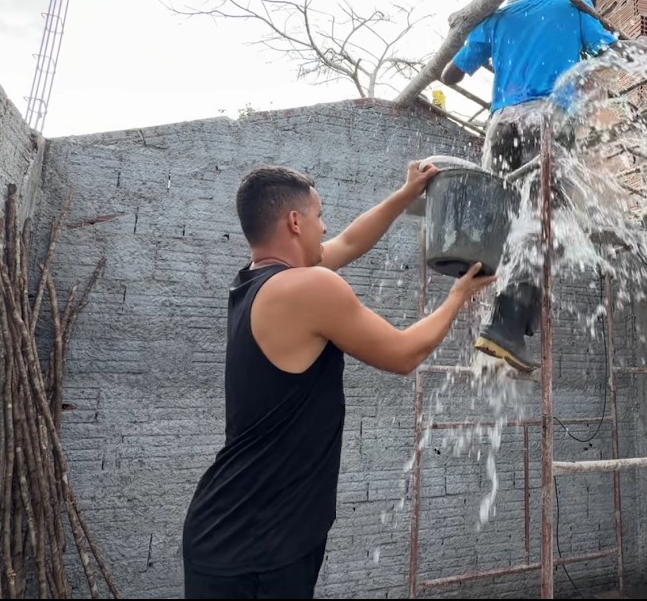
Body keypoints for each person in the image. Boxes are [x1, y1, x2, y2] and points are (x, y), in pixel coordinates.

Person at [181, 161, 496, 599]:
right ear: (295, 222)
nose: (325, 226)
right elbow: (404, 353)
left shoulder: (259, 283)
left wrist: (407, 193)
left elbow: (349, 241)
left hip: (238, 532)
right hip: (257, 549)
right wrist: (458, 296)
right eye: (319, 215)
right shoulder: (309, 288)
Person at [440, 0, 622, 374]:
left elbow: (450, 75)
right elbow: (610, 51)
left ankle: (516, 324)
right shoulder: (574, 5)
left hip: (501, 127)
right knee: (547, 223)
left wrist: (477, 33)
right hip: (547, 122)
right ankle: (505, 326)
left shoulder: (499, 16)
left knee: (509, 219)